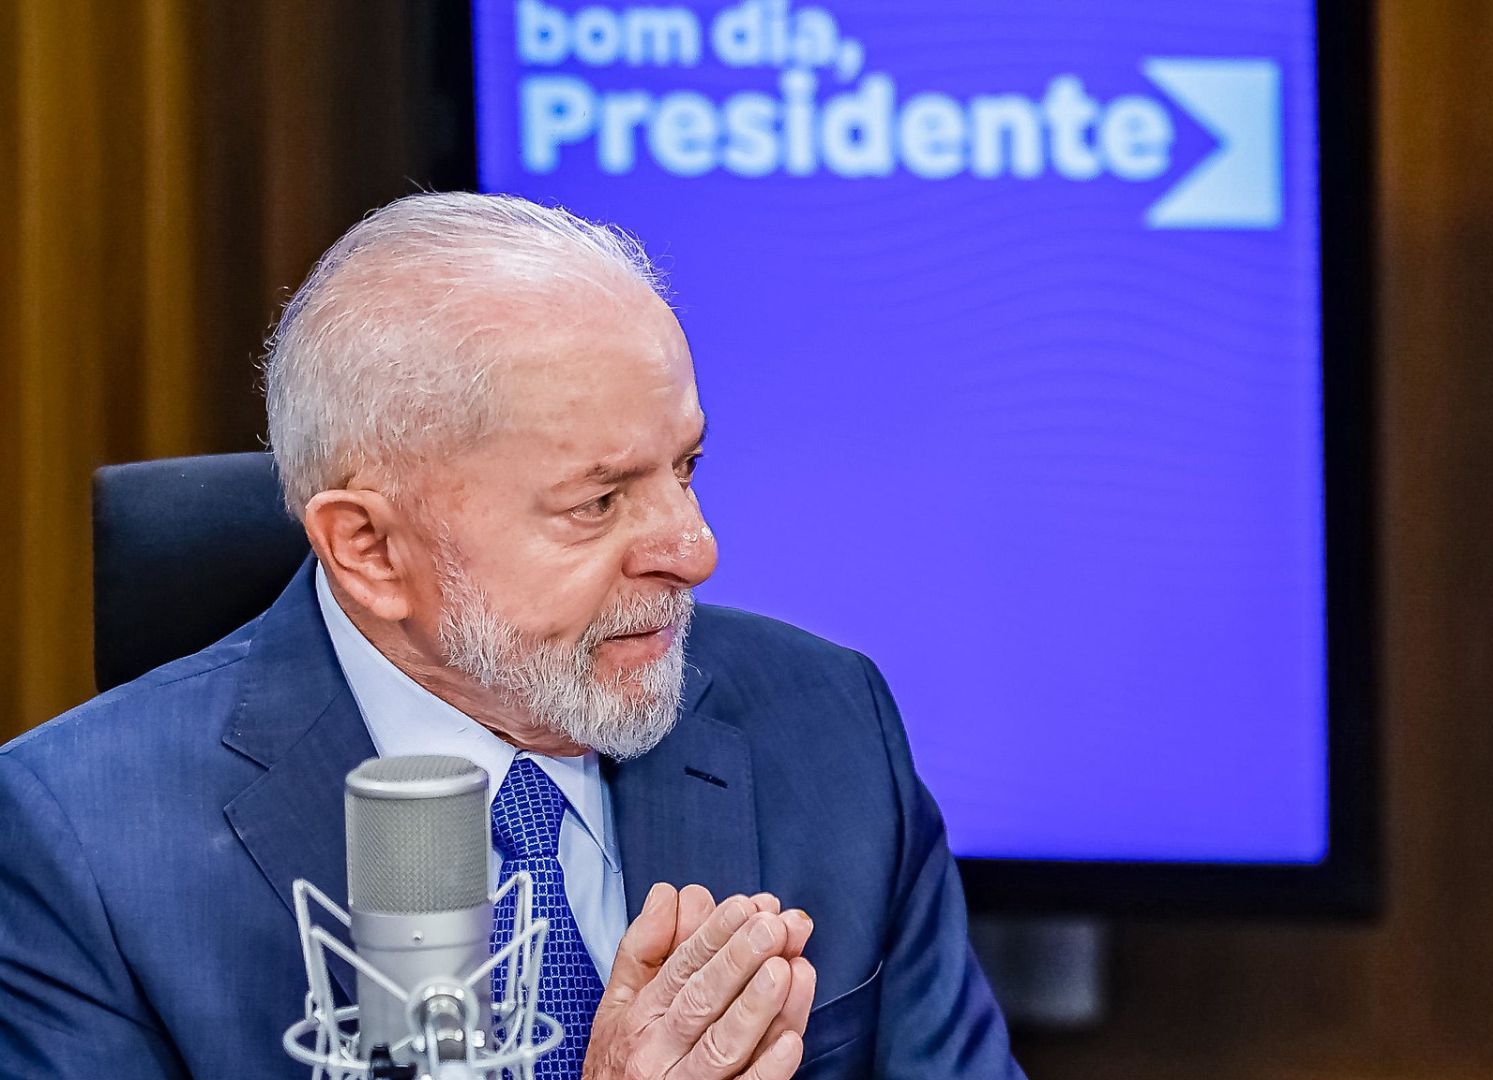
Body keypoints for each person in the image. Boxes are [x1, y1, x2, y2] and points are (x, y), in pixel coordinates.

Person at [0, 192, 1024, 1080]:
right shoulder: (79, 848)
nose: (695, 550)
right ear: (368, 547)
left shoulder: (827, 726)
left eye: (686, 467)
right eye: (598, 501)